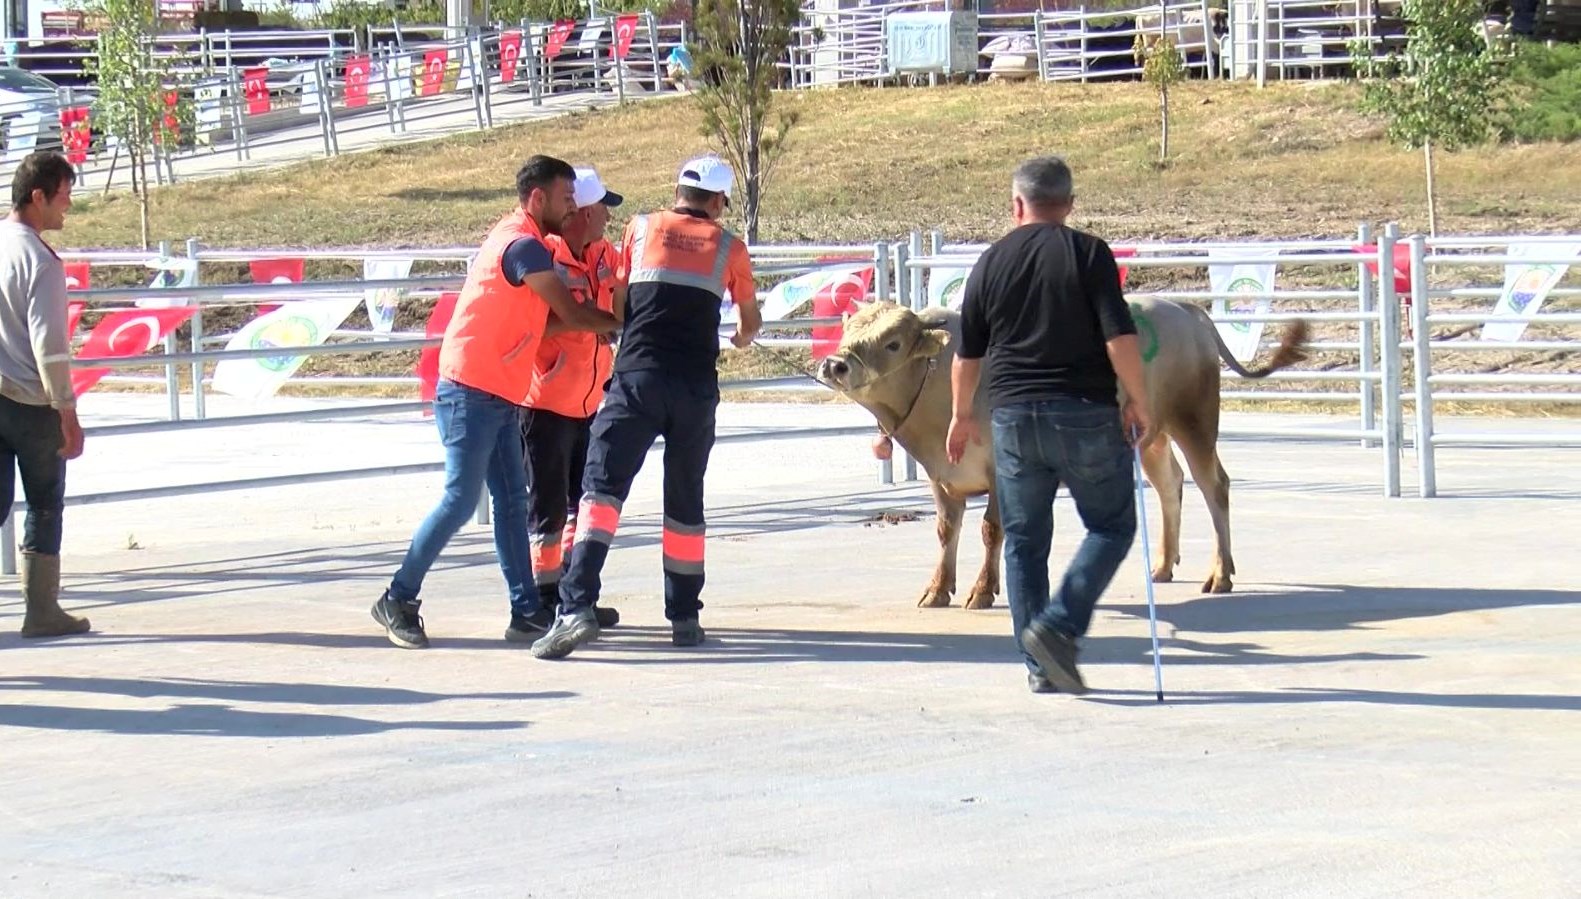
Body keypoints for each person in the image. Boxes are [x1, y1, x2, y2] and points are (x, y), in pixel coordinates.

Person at [372, 155, 620, 650]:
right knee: (461, 499)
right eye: (566, 198)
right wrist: (623, 324)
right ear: (537, 199)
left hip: (499, 392)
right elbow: (568, 312)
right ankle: (397, 597)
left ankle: (527, 611)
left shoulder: (532, 241)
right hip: (470, 390)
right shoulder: (522, 247)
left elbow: (547, 323)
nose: (573, 207)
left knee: (511, 503)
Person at [530, 154, 762, 660]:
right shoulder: (730, 246)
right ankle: (684, 616)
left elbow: (617, 307)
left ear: (679, 191)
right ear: (719, 201)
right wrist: (740, 338)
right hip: (696, 390)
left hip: (636, 380)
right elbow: (748, 324)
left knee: (601, 492)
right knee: (685, 502)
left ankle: (575, 608)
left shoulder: (639, 229)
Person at [945, 155, 1152, 696]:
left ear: (1017, 204)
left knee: (1024, 540)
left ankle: (1038, 666)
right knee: (1111, 526)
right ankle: (1057, 627)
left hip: (1012, 417)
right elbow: (1120, 338)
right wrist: (1138, 399)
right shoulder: (1089, 253)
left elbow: (966, 355)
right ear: (1070, 204)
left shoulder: (990, 261)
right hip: (1083, 410)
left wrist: (961, 416)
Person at [521, 165, 624, 630]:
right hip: (545, 402)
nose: (607, 215)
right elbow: (540, 323)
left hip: (590, 401)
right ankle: (541, 598)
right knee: (546, 508)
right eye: (602, 206)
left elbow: (622, 299)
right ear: (580, 211)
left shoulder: (607, 254)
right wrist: (594, 321)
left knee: (581, 504)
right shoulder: (547, 257)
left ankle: (572, 596)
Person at [0, 151, 89, 638]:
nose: (67, 208)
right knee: (44, 503)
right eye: (63, 196)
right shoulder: (40, 260)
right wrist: (67, 411)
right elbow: (50, 345)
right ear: (38, 197)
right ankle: (41, 610)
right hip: (31, 402)